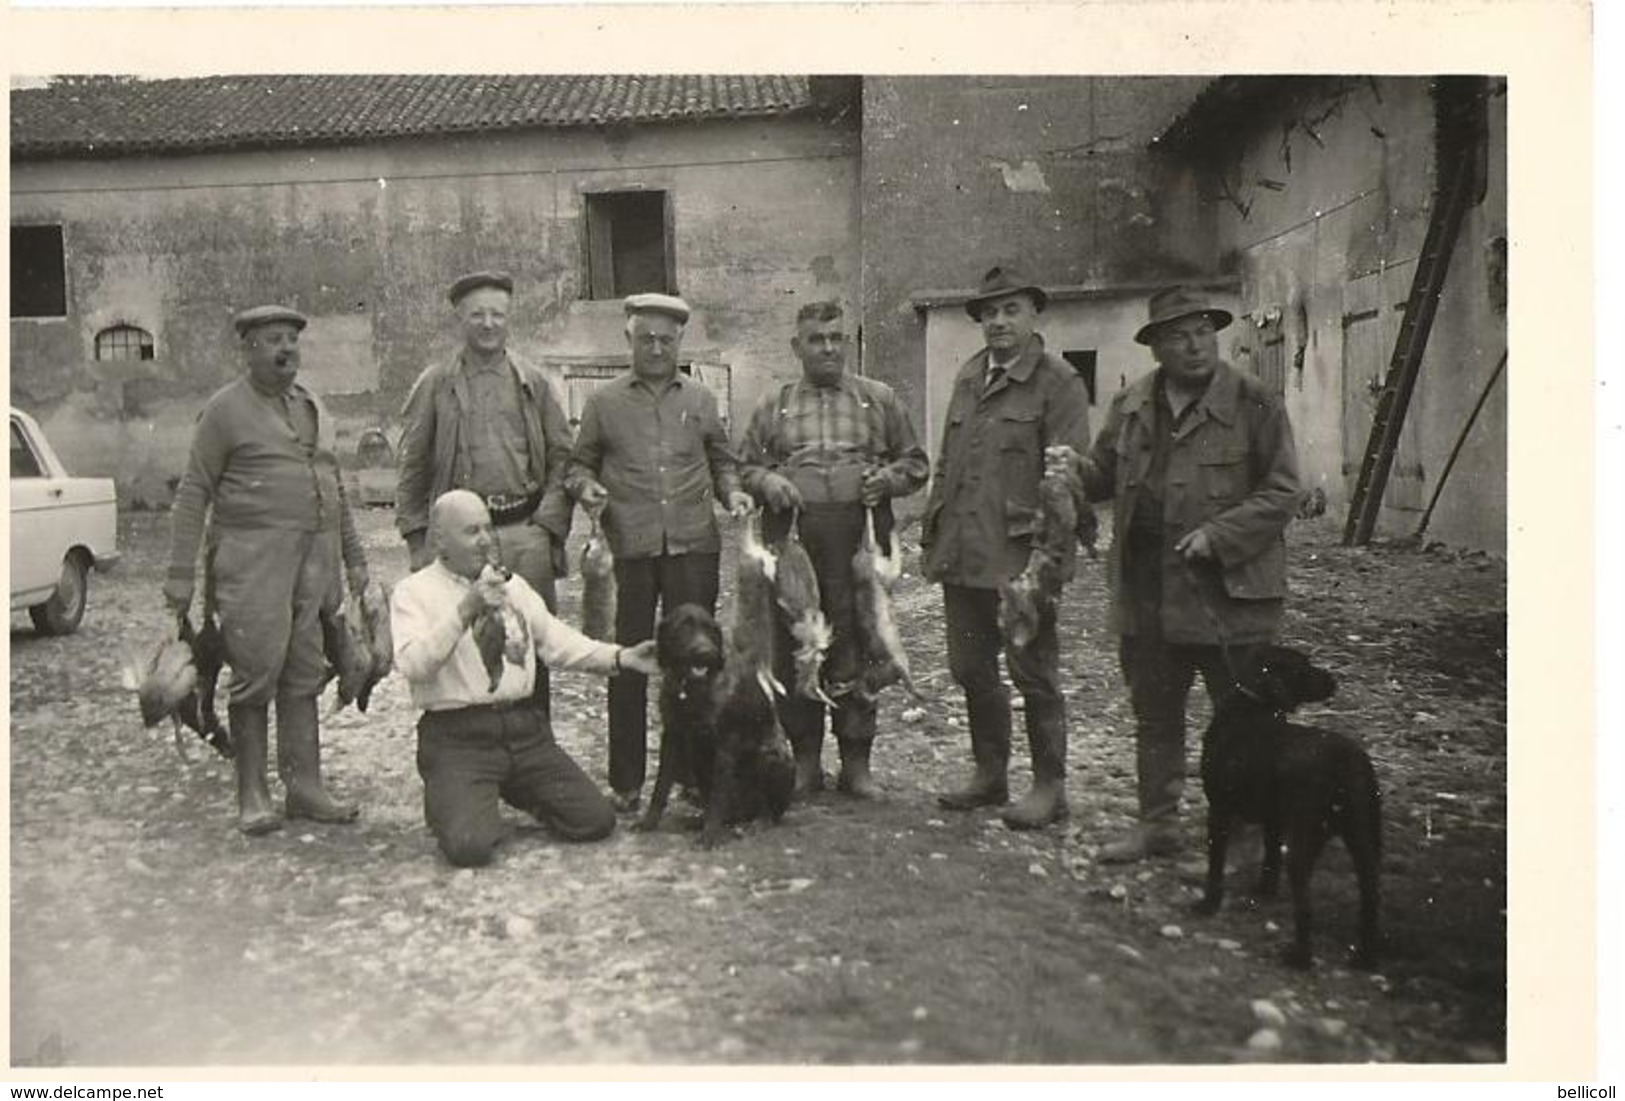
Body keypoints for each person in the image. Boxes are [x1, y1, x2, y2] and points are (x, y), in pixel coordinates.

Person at [1068, 286, 1302, 862]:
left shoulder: (1255, 402)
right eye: (1178, 334)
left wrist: (1220, 536)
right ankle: (1157, 822)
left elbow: (1282, 490)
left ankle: (1249, 832)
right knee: (1155, 712)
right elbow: (1101, 475)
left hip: (1230, 593)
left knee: (1243, 715)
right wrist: (1072, 473)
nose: (1195, 345)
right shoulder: (1130, 405)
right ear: (1155, 348)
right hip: (1148, 589)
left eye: (1202, 330)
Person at [163, 305, 369, 835]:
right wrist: (179, 577)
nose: (285, 351)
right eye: (273, 340)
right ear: (248, 348)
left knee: (303, 672)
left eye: (293, 342)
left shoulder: (311, 406)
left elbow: (336, 491)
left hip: (314, 565)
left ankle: (304, 788)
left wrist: (355, 559)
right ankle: (252, 793)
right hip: (251, 563)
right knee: (255, 672)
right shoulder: (224, 410)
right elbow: (193, 492)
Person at [391, 490, 658, 868]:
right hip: (458, 738)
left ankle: (515, 789)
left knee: (595, 821)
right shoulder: (413, 592)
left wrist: (620, 656)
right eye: (471, 531)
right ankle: (459, 799)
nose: (486, 539)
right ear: (440, 541)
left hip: (524, 732)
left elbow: (556, 642)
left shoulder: (512, 585)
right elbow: (415, 666)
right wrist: (465, 610)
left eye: (487, 528)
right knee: (470, 847)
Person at [565, 293, 754, 813]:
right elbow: (577, 466)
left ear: (679, 342)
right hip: (629, 551)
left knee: (696, 666)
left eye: (665, 340)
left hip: (693, 547)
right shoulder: (603, 403)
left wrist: (732, 491)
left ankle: (696, 778)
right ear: (628, 339)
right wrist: (586, 489)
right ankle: (626, 781)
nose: (654, 348)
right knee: (628, 661)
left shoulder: (701, 399)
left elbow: (722, 461)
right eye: (644, 338)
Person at [738, 301, 929, 798]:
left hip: (856, 538)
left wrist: (886, 479)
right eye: (816, 339)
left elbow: (917, 464)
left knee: (858, 643)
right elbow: (743, 468)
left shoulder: (878, 400)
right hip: (794, 540)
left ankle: (856, 761)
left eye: (836, 338)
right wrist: (769, 483)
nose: (827, 347)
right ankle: (805, 760)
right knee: (800, 645)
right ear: (796, 346)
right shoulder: (773, 404)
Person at [923, 266, 1091, 831]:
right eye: (989, 312)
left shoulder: (1058, 381)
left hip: (1021, 559)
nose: (998, 321)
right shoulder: (970, 375)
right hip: (965, 550)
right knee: (970, 667)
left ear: (1034, 313)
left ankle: (1050, 787)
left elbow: (1067, 478)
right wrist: (935, 525)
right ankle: (990, 773)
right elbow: (949, 460)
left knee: (1033, 672)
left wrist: (1051, 563)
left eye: (1010, 309)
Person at [395, 270, 575, 713]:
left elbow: (562, 456)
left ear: (510, 318)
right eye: (478, 315)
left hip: (522, 532)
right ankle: (478, 756)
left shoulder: (531, 381)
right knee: (470, 650)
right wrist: (419, 540)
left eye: (498, 314)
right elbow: (412, 464)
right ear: (460, 319)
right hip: (462, 542)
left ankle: (534, 745)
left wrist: (546, 528)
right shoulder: (437, 383)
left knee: (531, 645)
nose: (489, 324)